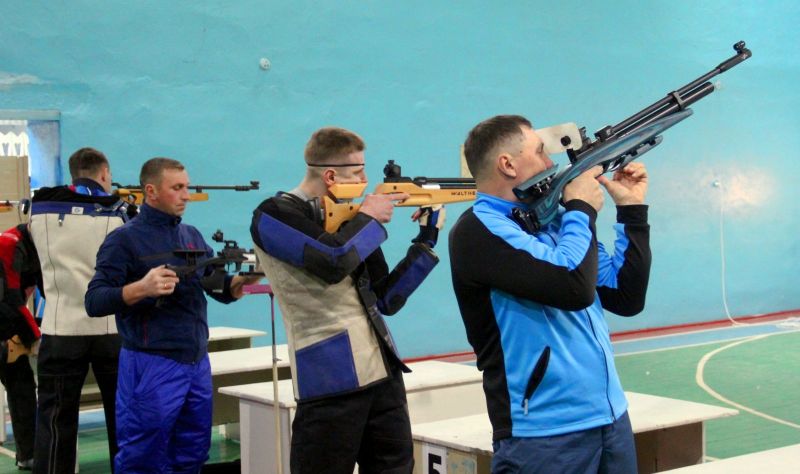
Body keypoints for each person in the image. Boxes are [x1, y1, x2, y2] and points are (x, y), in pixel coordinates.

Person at [448, 115, 652, 473]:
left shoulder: (555, 219)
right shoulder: (478, 230)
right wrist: (581, 209)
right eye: (540, 152)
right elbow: (572, 286)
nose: (550, 163)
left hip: (609, 417)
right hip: (541, 434)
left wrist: (631, 211)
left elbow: (625, 296)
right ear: (507, 164)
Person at [250, 127, 445, 474]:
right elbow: (331, 261)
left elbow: (385, 299)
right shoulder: (272, 215)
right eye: (357, 172)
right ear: (330, 176)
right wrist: (368, 218)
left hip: (382, 370)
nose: (365, 181)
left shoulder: (349, 218)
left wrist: (426, 240)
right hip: (329, 375)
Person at [84, 157, 260, 472]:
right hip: (151, 362)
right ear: (151, 191)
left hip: (196, 361)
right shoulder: (124, 240)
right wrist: (142, 287)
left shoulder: (191, 236)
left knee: (193, 452)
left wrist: (250, 276)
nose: (186, 195)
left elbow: (220, 288)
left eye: (186, 187)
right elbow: (94, 301)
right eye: (177, 188)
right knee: (142, 455)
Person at [29, 147, 130, 473]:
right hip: (110, 329)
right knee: (122, 419)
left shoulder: (40, 208)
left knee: (54, 420)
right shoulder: (119, 213)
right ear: (104, 173)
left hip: (61, 327)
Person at [0, 223, 42, 470]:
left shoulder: (37, 243)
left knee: (22, 388)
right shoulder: (9, 244)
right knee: (21, 388)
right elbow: (11, 298)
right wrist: (35, 336)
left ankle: (28, 454)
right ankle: (28, 454)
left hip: (8, 320)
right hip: (5, 319)